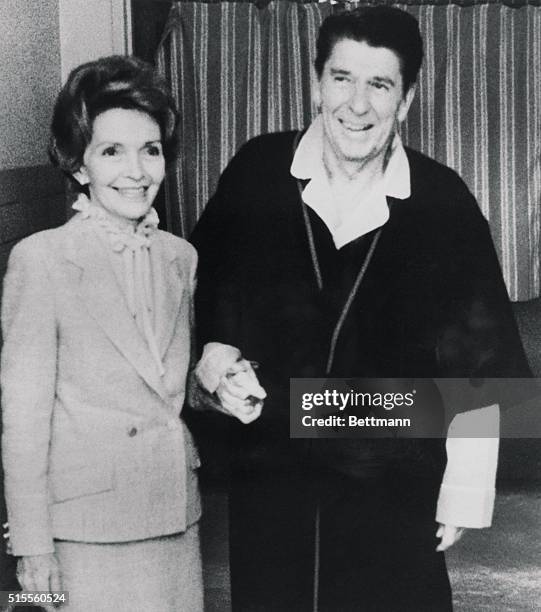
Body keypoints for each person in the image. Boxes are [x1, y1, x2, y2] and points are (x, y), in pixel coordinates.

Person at [189, 6, 531, 612]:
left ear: (406, 99)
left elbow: (479, 369)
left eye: (380, 84)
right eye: (342, 78)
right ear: (316, 82)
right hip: (272, 490)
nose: (357, 104)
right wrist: (214, 367)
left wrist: (463, 490)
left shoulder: (442, 204)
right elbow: (202, 303)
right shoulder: (256, 174)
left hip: (393, 491)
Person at [1, 55, 204, 611]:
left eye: (151, 149)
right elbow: (23, 417)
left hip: (173, 514)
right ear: (79, 164)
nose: (135, 171)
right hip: (83, 529)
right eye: (111, 151)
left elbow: (174, 385)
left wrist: (223, 380)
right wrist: (32, 545)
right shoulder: (40, 260)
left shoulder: (180, 258)